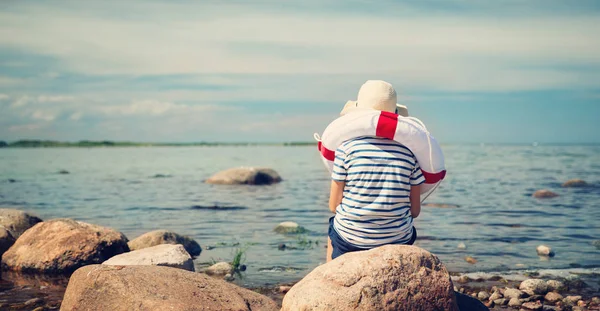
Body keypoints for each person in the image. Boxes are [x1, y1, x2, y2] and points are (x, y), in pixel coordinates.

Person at [326, 80, 425, 262]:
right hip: (397, 239)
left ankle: (328, 278)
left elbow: (333, 206)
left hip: (351, 240)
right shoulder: (410, 154)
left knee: (334, 227)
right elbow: (415, 211)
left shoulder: (346, 149)